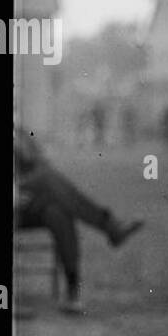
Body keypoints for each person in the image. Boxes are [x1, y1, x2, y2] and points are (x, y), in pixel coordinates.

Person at [15, 130, 144, 314]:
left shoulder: (19, 132)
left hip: (25, 202)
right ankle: (110, 226)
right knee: (49, 179)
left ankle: (72, 292)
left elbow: (39, 162)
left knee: (57, 212)